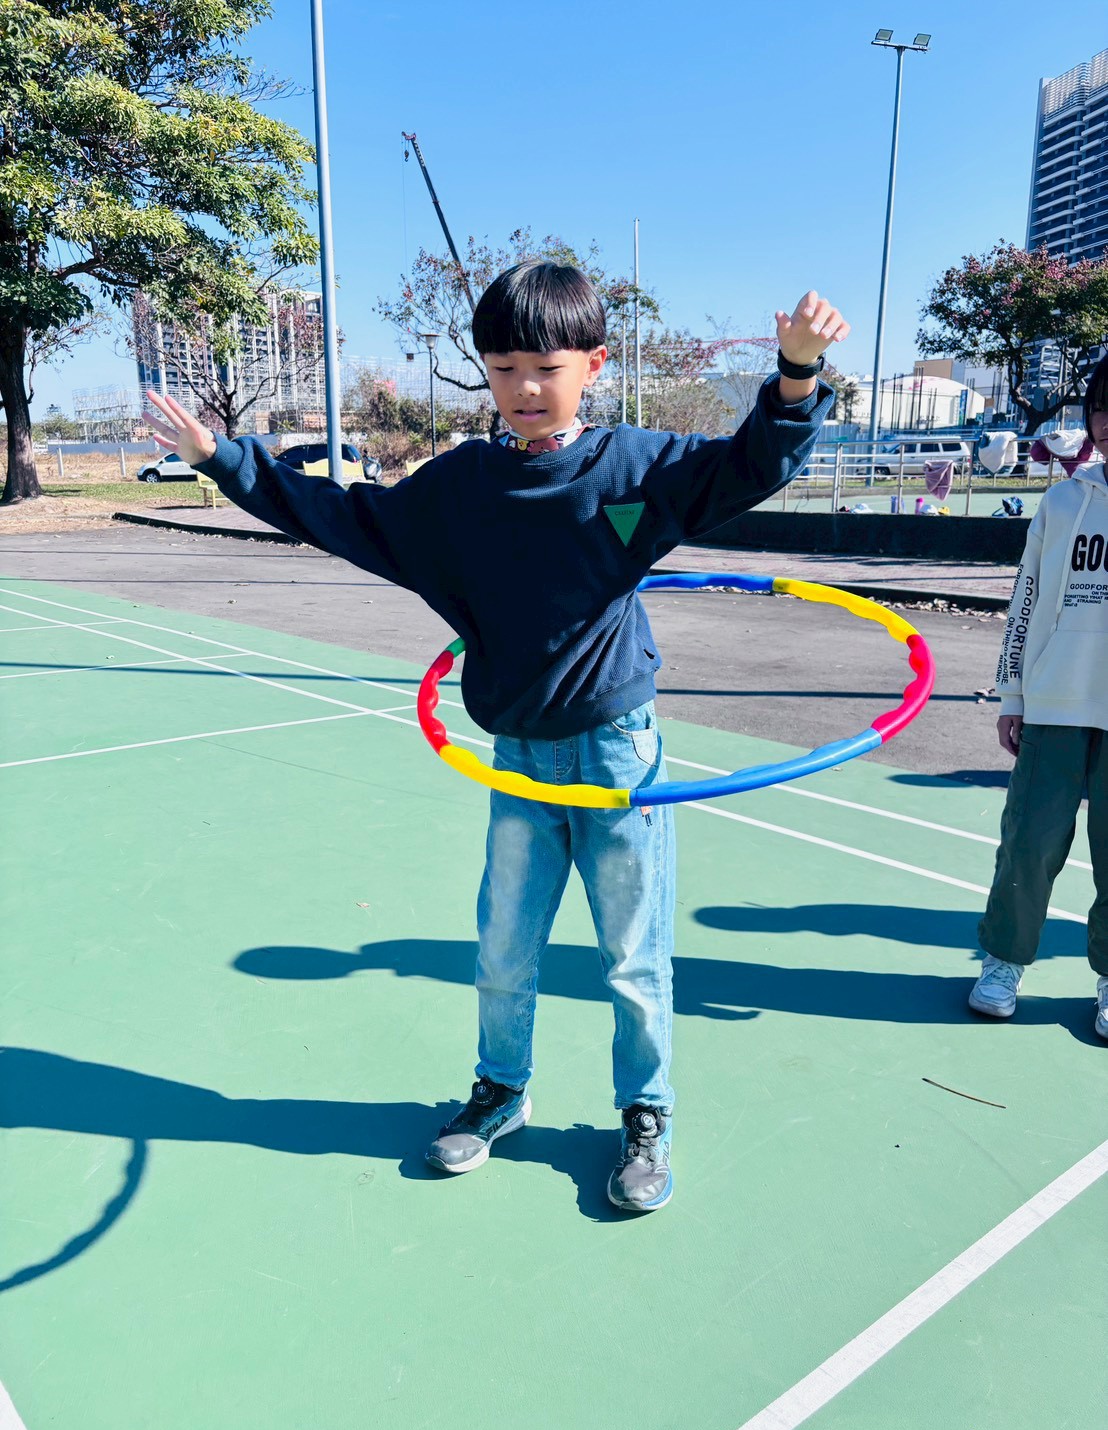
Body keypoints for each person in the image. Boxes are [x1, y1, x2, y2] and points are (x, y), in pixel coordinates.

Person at [143, 262, 847, 1210]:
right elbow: (345, 517)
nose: (524, 387)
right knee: (504, 949)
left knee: (632, 957)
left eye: (546, 367)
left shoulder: (635, 469)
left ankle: (646, 1111)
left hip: (618, 752)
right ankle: (501, 1090)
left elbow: (754, 464)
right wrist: (225, 460)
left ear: (594, 364)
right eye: (504, 367)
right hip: (519, 760)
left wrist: (795, 373)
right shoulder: (460, 490)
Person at [971, 354, 1108, 1042]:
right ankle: (1003, 961)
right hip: (1055, 703)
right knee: (1028, 843)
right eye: (1101, 407)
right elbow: (1025, 599)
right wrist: (1012, 693)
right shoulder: (1061, 502)